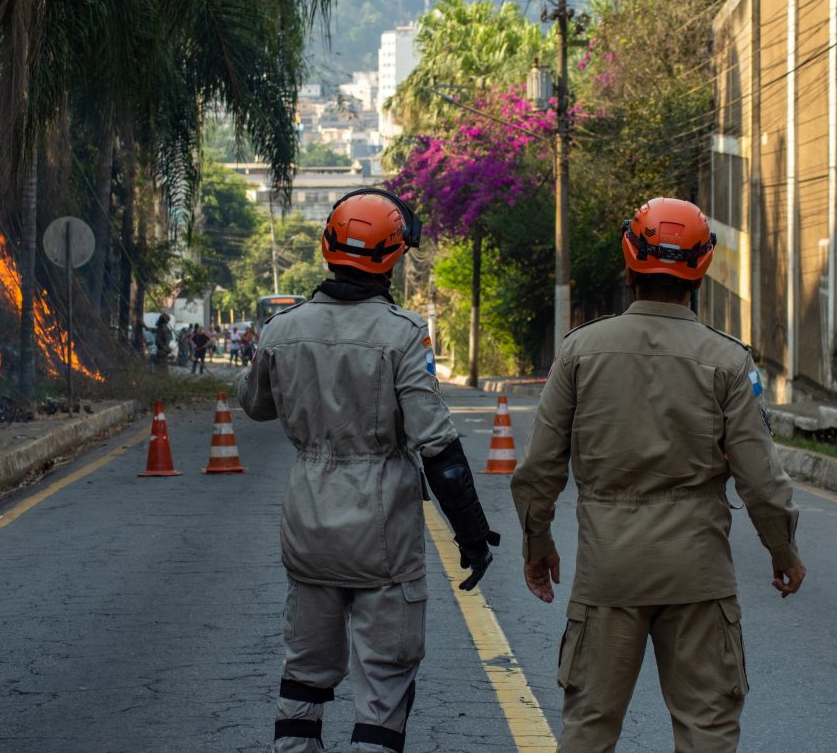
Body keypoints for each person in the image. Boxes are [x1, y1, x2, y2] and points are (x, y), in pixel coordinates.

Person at [511, 197, 806, 752]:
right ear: (702, 269)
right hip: (698, 576)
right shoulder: (726, 362)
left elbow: (537, 469)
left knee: (590, 728)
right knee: (707, 729)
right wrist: (782, 550)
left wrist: (537, 542)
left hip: (608, 571)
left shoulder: (579, 352)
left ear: (628, 264)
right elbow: (761, 480)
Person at [238, 188, 500, 753]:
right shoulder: (402, 334)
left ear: (327, 247)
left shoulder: (281, 330)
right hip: (382, 534)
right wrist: (473, 536)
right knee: (384, 681)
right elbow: (440, 450)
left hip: (307, 525)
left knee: (303, 675)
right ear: (394, 258)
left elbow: (255, 404)